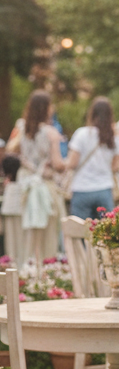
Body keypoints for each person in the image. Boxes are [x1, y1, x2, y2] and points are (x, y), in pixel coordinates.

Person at [13, 90, 66, 264]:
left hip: (26, 187)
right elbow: (58, 164)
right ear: (46, 108)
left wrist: (29, 164)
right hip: (45, 187)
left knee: (28, 235)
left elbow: (13, 152)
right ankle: (46, 273)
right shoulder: (50, 132)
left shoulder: (21, 127)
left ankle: (26, 271)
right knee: (48, 235)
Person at [66, 97, 119, 220]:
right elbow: (116, 167)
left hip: (81, 189)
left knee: (79, 231)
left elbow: (72, 163)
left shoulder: (81, 134)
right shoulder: (114, 139)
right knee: (106, 233)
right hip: (104, 189)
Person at [1, 154, 24, 264]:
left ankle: (12, 263)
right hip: (20, 214)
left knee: (11, 244)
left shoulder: (9, 187)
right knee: (21, 242)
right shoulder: (22, 185)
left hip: (9, 212)